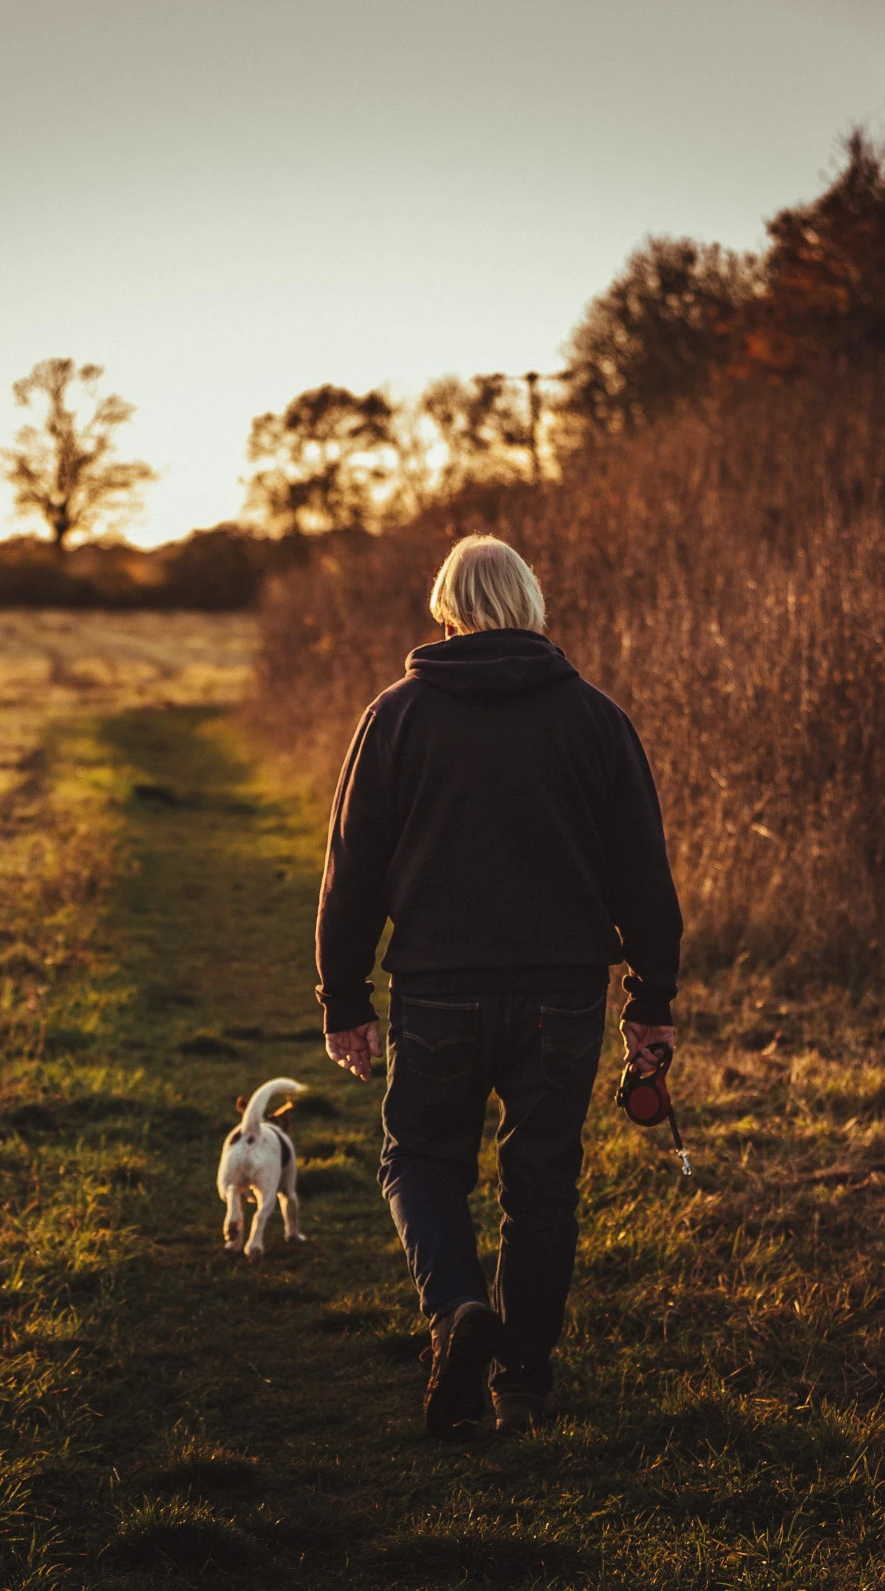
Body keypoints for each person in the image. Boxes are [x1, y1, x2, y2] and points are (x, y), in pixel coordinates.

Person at [316, 534, 682, 1438]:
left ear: (445, 608)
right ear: (530, 605)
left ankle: (455, 1313)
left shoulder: (396, 717)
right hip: (562, 994)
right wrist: (650, 1001)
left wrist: (345, 999)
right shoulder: (595, 718)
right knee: (542, 1184)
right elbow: (644, 875)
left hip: (438, 989)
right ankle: (521, 1382)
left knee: (419, 1160)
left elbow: (352, 869)